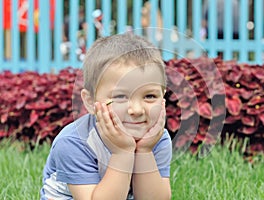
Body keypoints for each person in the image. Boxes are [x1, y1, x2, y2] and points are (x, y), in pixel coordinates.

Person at [40, 33, 172, 200]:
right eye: (120, 96)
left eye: (150, 96)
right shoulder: (74, 142)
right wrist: (122, 153)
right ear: (90, 102)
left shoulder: (156, 138)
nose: (137, 110)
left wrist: (145, 151)